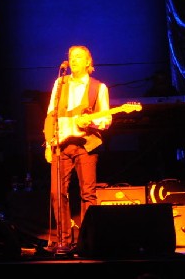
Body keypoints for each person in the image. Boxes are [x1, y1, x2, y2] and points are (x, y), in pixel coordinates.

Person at [43, 45, 112, 253]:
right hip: (61, 145)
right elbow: (50, 115)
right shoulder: (60, 83)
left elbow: (106, 119)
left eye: (79, 57)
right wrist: (48, 144)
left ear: (88, 62)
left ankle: (87, 240)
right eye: (71, 57)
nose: (73, 60)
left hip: (86, 144)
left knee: (88, 194)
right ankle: (64, 240)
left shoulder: (99, 87)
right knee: (57, 193)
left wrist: (90, 123)